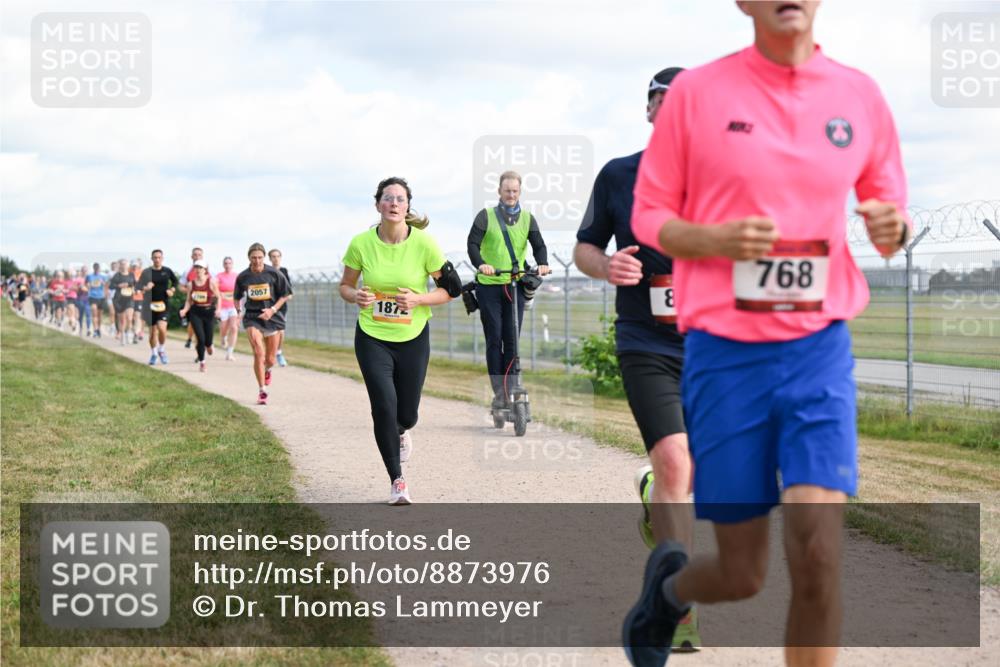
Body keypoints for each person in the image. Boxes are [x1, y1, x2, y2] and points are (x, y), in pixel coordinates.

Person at [622, 3, 911, 666]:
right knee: (741, 573)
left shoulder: (858, 94)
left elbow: (888, 211)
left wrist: (890, 228)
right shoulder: (698, 93)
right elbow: (650, 213)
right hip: (725, 356)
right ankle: (667, 591)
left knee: (816, 549)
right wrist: (710, 238)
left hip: (818, 349)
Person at [575, 65, 701, 653]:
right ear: (650, 111)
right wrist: (608, 267)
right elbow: (584, 249)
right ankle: (678, 606)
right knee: (676, 463)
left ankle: (656, 498)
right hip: (646, 343)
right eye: (663, 102)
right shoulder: (618, 176)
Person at [339, 177, 459, 505]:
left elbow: (451, 289)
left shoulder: (425, 244)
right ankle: (397, 481)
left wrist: (419, 300)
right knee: (383, 405)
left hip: (413, 337)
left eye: (400, 199)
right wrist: (356, 296)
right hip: (372, 336)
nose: (394, 203)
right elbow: (346, 286)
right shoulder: (361, 243)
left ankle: (403, 431)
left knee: (406, 414)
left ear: (408, 207)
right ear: (378, 204)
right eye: (388, 198)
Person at [467, 170, 551, 409]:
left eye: (515, 191)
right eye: (507, 191)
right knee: (495, 339)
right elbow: (472, 244)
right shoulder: (486, 217)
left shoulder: (528, 218)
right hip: (489, 286)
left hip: (514, 284)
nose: (511, 194)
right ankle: (499, 394)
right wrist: (481, 264)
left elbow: (539, 245)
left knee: (512, 339)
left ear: (520, 192)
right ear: (499, 191)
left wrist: (542, 263)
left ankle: (512, 387)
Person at [234, 243, 291, 405]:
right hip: (252, 317)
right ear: (249, 258)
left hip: (271, 318)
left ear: (264, 257)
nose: (257, 261)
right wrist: (238, 312)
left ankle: (268, 369)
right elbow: (236, 297)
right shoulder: (243, 276)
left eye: (260, 257)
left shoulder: (274, 273)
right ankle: (262, 391)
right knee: (259, 352)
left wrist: (272, 310)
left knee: (270, 359)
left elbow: (285, 295)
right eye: (254, 258)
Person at [139, 250, 180, 365]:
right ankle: (154, 353)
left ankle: (161, 349)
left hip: (163, 304)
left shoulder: (167, 271)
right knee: (152, 333)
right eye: (155, 257)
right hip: (149, 305)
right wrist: (146, 287)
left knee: (162, 328)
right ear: (152, 259)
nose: (157, 259)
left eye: (159, 257)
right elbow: (138, 286)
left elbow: (175, 281)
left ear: (162, 258)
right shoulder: (146, 272)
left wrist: (172, 289)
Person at [179, 260, 221, 372]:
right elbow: (188, 300)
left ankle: (210, 344)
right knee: (200, 339)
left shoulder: (211, 282)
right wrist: (184, 310)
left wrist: (218, 309)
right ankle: (202, 362)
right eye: (196, 267)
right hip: (196, 312)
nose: (198, 270)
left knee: (208, 340)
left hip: (208, 312)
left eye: (200, 267)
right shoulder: (190, 284)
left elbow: (218, 297)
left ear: (204, 269)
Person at [268, 248, 294, 367]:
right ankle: (269, 355)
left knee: (281, 331)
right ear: (270, 258)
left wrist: (287, 296)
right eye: (273, 256)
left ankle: (278, 353)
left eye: (278, 256)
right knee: (270, 332)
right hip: (268, 306)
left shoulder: (284, 271)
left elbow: (289, 290)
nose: (276, 258)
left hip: (282, 306)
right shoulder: (266, 272)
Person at [180, 247, 205, 349]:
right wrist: (190, 292)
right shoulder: (187, 271)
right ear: (191, 256)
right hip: (193, 302)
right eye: (195, 254)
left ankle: (199, 348)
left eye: (199, 255)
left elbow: (215, 285)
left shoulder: (208, 269)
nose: (197, 256)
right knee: (193, 324)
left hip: (205, 303)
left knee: (202, 326)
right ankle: (190, 339)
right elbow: (181, 286)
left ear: (202, 256)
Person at [216, 256, 240, 360]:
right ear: (223, 265)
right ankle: (223, 337)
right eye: (226, 263)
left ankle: (230, 353)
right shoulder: (219, 276)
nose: (227, 265)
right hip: (222, 306)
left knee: (234, 327)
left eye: (229, 263)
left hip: (233, 306)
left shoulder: (237, 276)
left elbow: (240, 292)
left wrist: (240, 308)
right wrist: (221, 295)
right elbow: (215, 291)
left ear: (232, 264)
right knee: (223, 327)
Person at [109, 259, 137, 345]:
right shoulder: (117, 275)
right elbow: (111, 286)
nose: (123, 266)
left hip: (129, 298)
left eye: (125, 264)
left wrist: (134, 289)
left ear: (128, 265)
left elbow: (135, 284)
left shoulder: (131, 275)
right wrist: (119, 285)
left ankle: (128, 333)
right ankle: (122, 337)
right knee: (122, 320)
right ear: (120, 266)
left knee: (129, 317)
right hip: (119, 299)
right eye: (122, 264)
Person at [85, 262, 109, 338]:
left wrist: (106, 294)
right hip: (92, 296)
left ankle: (98, 329)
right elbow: (86, 284)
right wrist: (88, 286)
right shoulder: (89, 276)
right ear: (93, 268)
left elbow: (106, 286)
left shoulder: (103, 276)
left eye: (98, 268)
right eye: (95, 268)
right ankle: (95, 330)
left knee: (99, 315)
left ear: (99, 269)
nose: (97, 269)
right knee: (94, 313)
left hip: (101, 297)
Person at [130, 259, 145, 342]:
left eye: (136, 265)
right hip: (128, 298)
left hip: (139, 298)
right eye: (133, 265)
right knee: (131, 317)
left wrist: (141, 290)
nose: (135, 267)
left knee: (137, 316)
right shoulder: (128, 273)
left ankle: (136, 333)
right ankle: (134, 331)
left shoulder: (142, 273)